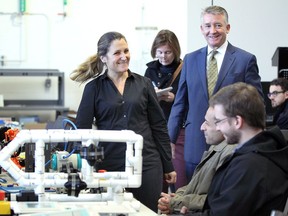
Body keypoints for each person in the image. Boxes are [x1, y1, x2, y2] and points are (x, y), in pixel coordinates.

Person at [70, 31, 176, 212]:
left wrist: (168, 165)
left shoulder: (144, 84)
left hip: (147, 163)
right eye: (117, 53)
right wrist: (88, 165)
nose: (124, 57)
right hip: (109, 165)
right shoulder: (93, 88)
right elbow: (82, 130)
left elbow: (158, 126)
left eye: (126, 51)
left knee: (146, 212)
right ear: (103, 58)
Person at [168, 5, 263, 182]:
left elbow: (256, 105)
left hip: (231, 144)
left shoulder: (245, 59)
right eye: (208, 25)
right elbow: (180, 103)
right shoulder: (190, 59)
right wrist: (170, 139)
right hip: (195, 143)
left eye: (218, 25)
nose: (213, 31)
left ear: (228, 28)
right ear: (201, 29)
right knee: (191, 200)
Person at [185, 82, 288, 216]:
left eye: (219, 121)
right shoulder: (267, 150)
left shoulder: (250, 166)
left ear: (237, 121)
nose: (218, 128)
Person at [157, 106, 236, 215]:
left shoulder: (230, 154)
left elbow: (214, 200)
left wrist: (176, 202)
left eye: (207, 123)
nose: (202, 127)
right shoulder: (216, 146)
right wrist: (176, 197)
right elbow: (195, 186)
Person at [144, 29, 187, 192]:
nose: (163, 56)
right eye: (159, 52)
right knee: (157, 178)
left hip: (177, 128)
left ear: (175, 51)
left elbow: (191, 98)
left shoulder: (184, 68)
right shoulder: (150, 70)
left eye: (168, 52)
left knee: (178, 176)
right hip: (155, 128)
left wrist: (174, 98)